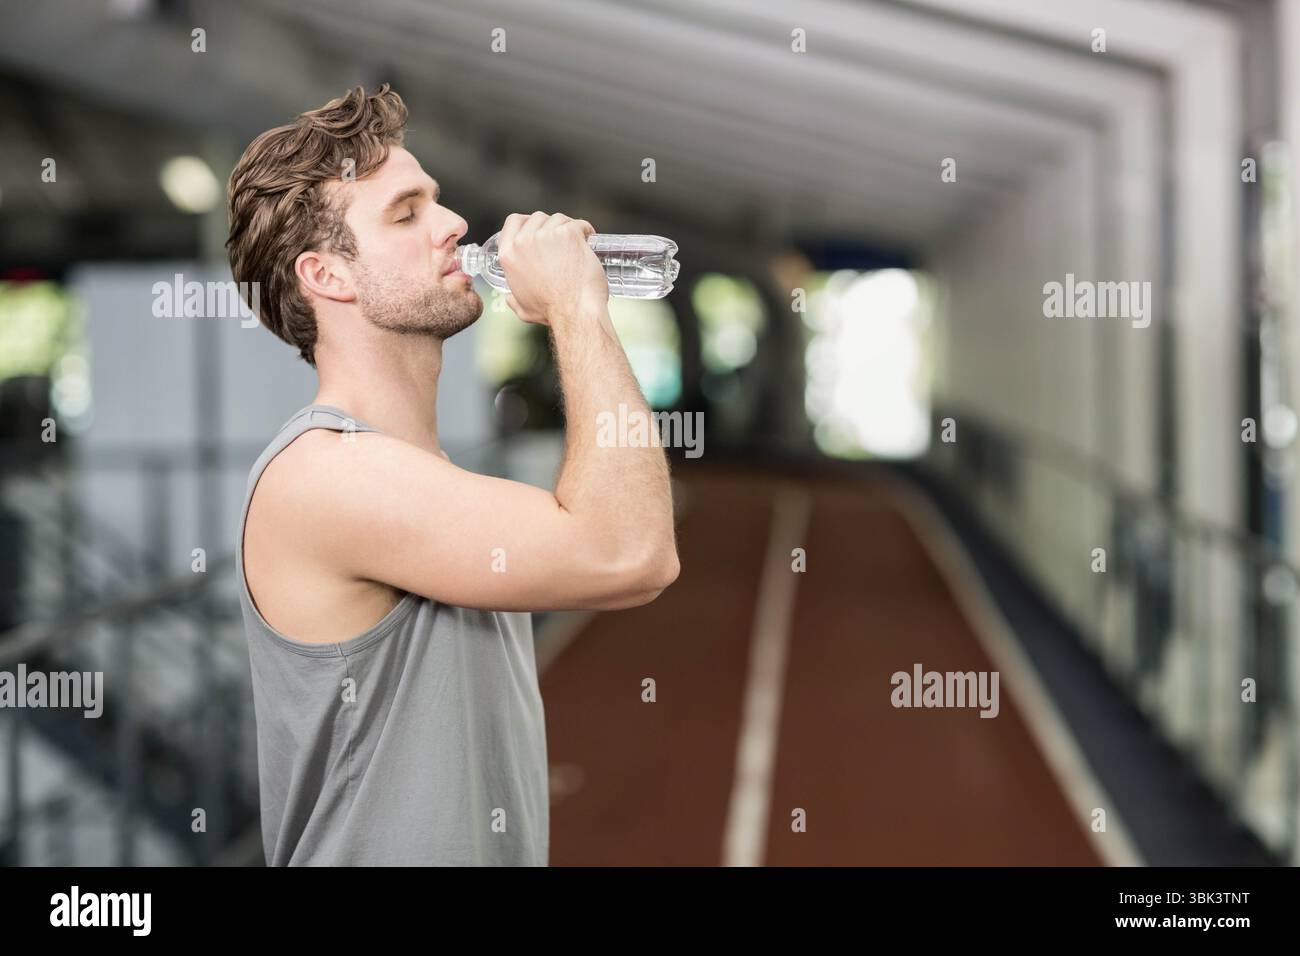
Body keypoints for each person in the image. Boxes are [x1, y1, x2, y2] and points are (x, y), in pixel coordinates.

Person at [224, 84, 679, 865]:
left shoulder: (421, 474)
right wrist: (577, 307)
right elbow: (632, 551)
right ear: (328, 276)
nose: (455, 224)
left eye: (435, 200)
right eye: (406, 213)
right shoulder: (324, 477)